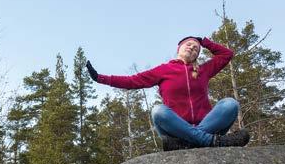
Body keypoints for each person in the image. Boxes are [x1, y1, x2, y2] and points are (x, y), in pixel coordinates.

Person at [86, 36, 250, 151]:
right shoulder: (164, 70)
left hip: (202, 129)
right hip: (175, 130)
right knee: (158, 111)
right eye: (189, 45)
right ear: (179, 48)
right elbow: (131, 81)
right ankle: (211, 142)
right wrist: (100, 78)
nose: (192, 48)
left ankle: (189, 143)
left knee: (230, 104)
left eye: (196, 49)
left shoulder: (203, 70)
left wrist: (204, 42)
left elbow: (227, 54)